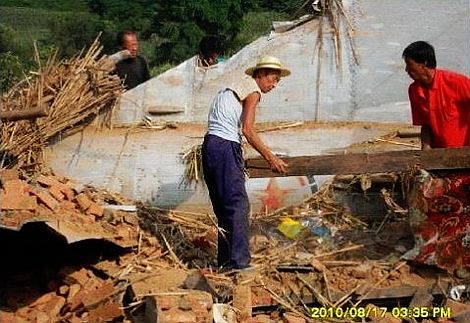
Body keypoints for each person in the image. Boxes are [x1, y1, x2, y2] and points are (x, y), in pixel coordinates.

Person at [202, 55, 290, 270]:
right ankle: (240, 264)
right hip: (224, 146)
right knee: (238, 206)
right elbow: (248, 130)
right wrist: (271, 158)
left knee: (224, 209)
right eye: (272, 78)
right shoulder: (253, 89)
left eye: (277, 80)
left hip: (210, 145)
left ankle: (225, 263)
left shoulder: (233, 86)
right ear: (259, 74)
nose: (274, 84)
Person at [401, 41, 470, 274]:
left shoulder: (458, 83)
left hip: (465, 155)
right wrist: (425, 157)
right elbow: (426, 126)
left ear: (425, 64)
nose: (407, 70)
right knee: (428, 198)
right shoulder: (415, 90)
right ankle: (435, 253)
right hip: (441, 158)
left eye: (410, 65)